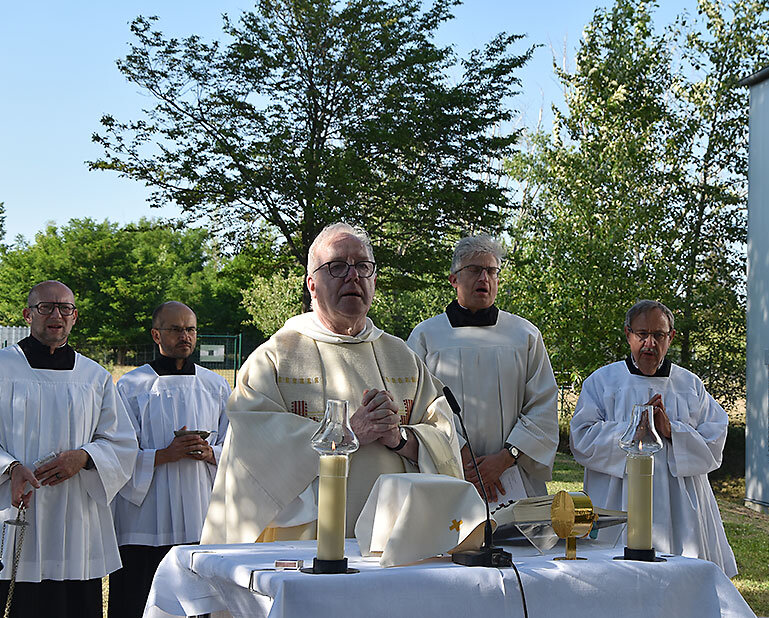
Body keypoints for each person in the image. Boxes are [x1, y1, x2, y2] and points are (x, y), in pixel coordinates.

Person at [201, 223, 462, 544]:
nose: (353, 276)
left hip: (397, 542)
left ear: (374, 280)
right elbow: (252, 459)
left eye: (363, 266)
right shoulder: (274, 359)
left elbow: (444, 437)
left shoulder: (402, 356)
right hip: (307, 547)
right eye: (337, 266)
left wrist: (398, 437)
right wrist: (347, 433)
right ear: (312, 284)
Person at [0, 280, 137, 618]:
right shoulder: (2, 368)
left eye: (65, 308)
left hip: (76, 517)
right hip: (13, 507)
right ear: (28, 314)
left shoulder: (95, 376)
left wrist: (86, 457)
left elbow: (121, 441)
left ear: (74, 317)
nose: (56, 315)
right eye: (46, 307)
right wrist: (10, 468)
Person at [570, 299, 736, 577]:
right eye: (642, 334)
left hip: (682, 509)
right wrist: (635, 427)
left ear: (670, 337)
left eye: (658, 335)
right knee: (617, 579)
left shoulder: (690, 385)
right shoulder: (602, 382)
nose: (650, 343)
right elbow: (581, 438)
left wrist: (672, 431)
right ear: (628, 335)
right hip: (617, 501)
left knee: (682, 582)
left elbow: (715, 438)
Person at [407, 235, 558, 503]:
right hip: (450, 469)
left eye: (491, 271)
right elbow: (418, 404)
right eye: (475, 270)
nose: (484, 278)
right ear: (454, 279)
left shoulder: (524, 335)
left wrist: (506, 457)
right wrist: (462, 455)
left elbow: (542, 405)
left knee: (517, 542)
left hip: (512, 474)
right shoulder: (426, 337)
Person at [109, 301, 230, 618]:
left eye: (190, 329)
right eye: (175, 329)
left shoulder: (215, 386)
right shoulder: (131, 386)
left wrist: (210, 453)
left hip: (199, 512)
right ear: (156, 334)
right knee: (138, 598)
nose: (184, 336)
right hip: (144, 520)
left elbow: (236, 446)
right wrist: (164, 455)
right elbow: (116, 451)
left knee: (197, 602)